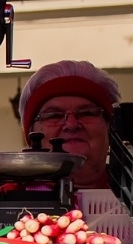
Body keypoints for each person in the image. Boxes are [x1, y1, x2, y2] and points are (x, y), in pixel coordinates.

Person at [18, 60, 120, 191]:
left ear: (110, 128)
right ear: (31, 133)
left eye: (87, 113)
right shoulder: (0, 201)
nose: (72, 125)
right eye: (54, 115)